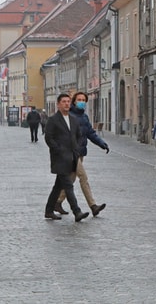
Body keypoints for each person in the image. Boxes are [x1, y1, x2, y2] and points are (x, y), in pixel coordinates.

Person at [55, 92, 109, 217]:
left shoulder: (84, 117)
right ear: (74, 101)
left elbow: (90, 133)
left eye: (83, 100)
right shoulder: (69, 116)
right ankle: (93, 206)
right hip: (71, 153)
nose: (81, 101)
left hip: (80, 153)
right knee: (83, 177)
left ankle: (57, 202)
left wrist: (102, 143)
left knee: (71, 178)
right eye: (79, 99)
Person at [43, 93, 89, 222]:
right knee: (68, 185)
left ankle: (49, 210)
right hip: (60, 158)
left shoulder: (73, 119)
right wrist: (58, 149)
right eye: (64, 101)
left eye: (68, 101)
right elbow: (49, 138)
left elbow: (79, 136)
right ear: (58, 104)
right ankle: (77, 211)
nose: (67, 104)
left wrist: (77, 148)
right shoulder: (53, 120)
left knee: (58, 186)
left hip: (72, 157)